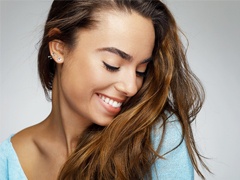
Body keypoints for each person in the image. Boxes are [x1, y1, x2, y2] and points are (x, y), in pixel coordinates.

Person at [0, 0, 210, 179]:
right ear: (59, 48)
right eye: (112, 64)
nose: (130, 87)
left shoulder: (158, 138)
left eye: (141, 71)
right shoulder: (9, 161)